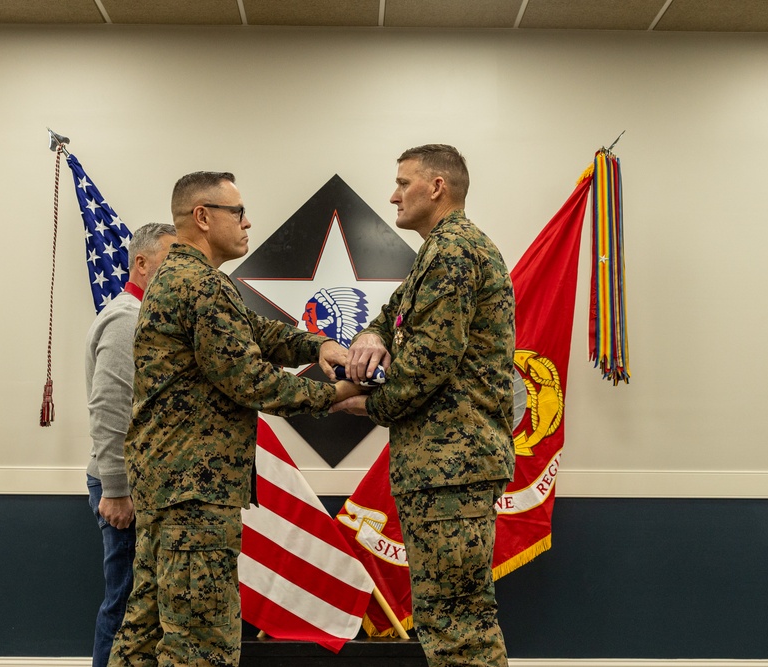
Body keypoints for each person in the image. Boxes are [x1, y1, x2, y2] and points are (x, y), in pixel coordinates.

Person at [108, 171, 361, 667]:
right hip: (195, 496)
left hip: (168, 487)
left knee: (143, 634)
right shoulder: (200, 287)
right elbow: (251, 379)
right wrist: (333, 394)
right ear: (203, 217)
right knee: (201, 646)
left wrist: (318, 344)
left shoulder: (180, 281)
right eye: (237, 213)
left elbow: (254, 332)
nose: (248, 223)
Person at [335, 144, 516, 667]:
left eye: (403, 182)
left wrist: (364, 405)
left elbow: (425, 369)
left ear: (436, 186)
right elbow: (389, 315)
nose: (393, 195)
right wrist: (370, 337)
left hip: (451, 469)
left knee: (458, 629)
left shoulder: (453, 252)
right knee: (454, 620)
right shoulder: (437, 255)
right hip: (442, 470)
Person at [85, 222, 178, 667]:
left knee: (146, 609)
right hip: (125, 488)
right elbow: (109, 408)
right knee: (125, 606)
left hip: (148, 485)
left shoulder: (155, 318)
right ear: (141, 263)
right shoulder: (128, 320)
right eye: (172, 258)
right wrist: (117, 490)